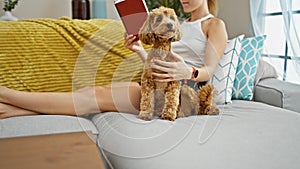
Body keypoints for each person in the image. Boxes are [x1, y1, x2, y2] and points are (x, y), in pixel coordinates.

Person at [0, 0, 227, 119]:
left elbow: (208, 69)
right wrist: (139, 49)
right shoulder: (178, 24)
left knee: (93, 95)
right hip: (155, 85)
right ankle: (13, 111)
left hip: (180, 94)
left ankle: (7, 94)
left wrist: (188, 72)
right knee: (87, 95)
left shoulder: (214, 25)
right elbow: (158, 62)